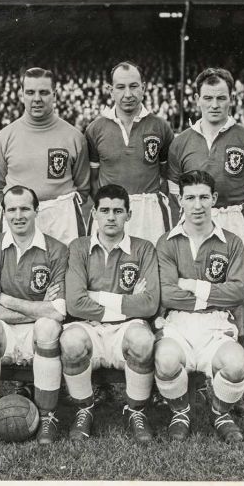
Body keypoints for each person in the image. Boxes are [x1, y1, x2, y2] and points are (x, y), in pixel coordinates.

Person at [166, 68, 244, 412]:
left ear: (231, 99)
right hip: (194, 222)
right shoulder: (181, 141)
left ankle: (232, 389)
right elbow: (175, 190)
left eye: (221, 97)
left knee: (236, 305)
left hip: (233, 220)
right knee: (191, 296)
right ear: (197, 100)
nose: (214, 104)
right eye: (208, 98)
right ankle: (192, 383)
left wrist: (232, 213)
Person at [155, 170, 244, 444]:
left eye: (204, 197)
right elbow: (167, 295)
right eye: (191, 198)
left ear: (214, 199)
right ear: (180, 201)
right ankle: (180, 412)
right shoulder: (167, 242)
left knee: (236, 365)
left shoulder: (232, 242)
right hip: (177, 324)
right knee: (166, 360)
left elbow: (238, 293)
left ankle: (220, 414)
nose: (198, 205)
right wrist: (214, 293)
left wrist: (192, 285)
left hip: (217, 324)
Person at [62, 184, 160, 442]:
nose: (111, 217)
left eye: (118, 211)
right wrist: (128, 301)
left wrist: (95, 296)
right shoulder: (79, 247)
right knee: (71, 341)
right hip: (88, 326)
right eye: (104, 210)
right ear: (94, 213)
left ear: (129, 215)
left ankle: (136, 410)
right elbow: (75, 304)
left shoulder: (144, 249)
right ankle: (84, 409)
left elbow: (150, 304)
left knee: (143, 340)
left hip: (127, 328)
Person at [0, 186, 68, 444]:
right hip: (5, 331)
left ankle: (47, 416)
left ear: (36, 211)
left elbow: (58, 311)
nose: (18, 215)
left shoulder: (56, 249)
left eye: (25, 208)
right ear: (3, 213)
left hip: (38, 332)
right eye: (12, 209)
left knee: (48, 327)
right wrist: (38, 307)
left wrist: (7, 299)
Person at [0, 67, 89, 245]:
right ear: (22, 95)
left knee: (67, 263)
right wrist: (17, 210)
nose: (37, 99)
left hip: (62, 222)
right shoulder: (4, 138)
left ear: (54, 95)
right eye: (30, 92)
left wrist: (57, 209)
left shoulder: (74, 137)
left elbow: (83, 187)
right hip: (19, 218)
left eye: (43, 92)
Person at [85, 61, 175, 244]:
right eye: (120, 87)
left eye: (133, 86)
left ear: (143, 88)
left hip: (149, 214)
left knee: (151, 260)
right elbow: (93, 179)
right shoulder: (95, 129)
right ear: (111, 90)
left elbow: (167, 175)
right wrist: (109, 204)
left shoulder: (161, 127)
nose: (128, 94)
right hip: (111, 210)